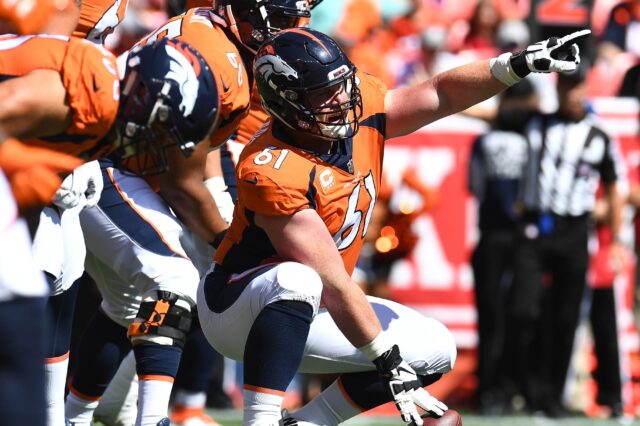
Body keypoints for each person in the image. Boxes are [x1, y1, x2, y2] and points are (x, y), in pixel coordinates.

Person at [197, 26, 591, 425]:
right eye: (323, 93)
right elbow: (331, 278)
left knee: (436, 349)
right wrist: (386, 360)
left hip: (314, 305)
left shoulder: (360, 110)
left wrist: (513, 65)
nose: (341, 98)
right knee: (299, 280)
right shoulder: (271, 168)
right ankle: (260, 420)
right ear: (286, 101)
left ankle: (308, 421)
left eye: (342, 84)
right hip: (236, 307)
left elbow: (441, 94)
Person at [64, 2, 313, 425]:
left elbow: (200, 150)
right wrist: (226, 239)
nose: (298, 27)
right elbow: (182, 184)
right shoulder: (217, 58)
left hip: (126, 167)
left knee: (128, 307)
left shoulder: (222, 40)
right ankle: (153, 419)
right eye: (288, 17)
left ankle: (74, 417)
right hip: (98, 164)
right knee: (174, 280)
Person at [502, 65, 626, 417]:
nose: (570, 93)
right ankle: (520, 385)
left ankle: (551, 395)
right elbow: (490, 112)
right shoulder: (536, 122)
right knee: (523, 308)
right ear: (557, 88)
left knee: (566, 316)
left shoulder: (600, 134)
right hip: (535, 227)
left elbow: (616, 185)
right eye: (565, 86)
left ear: (585, 88)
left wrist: (616, 238)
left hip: (574, 230)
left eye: (576, 86)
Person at [467, 79, 539, 415]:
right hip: (516, 234)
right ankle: (499, 387)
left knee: (501, 313)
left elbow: (475, 186)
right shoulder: (532, 136)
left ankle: (495, 388)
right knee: (504, 313)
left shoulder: (487, 140)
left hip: (500, 234)